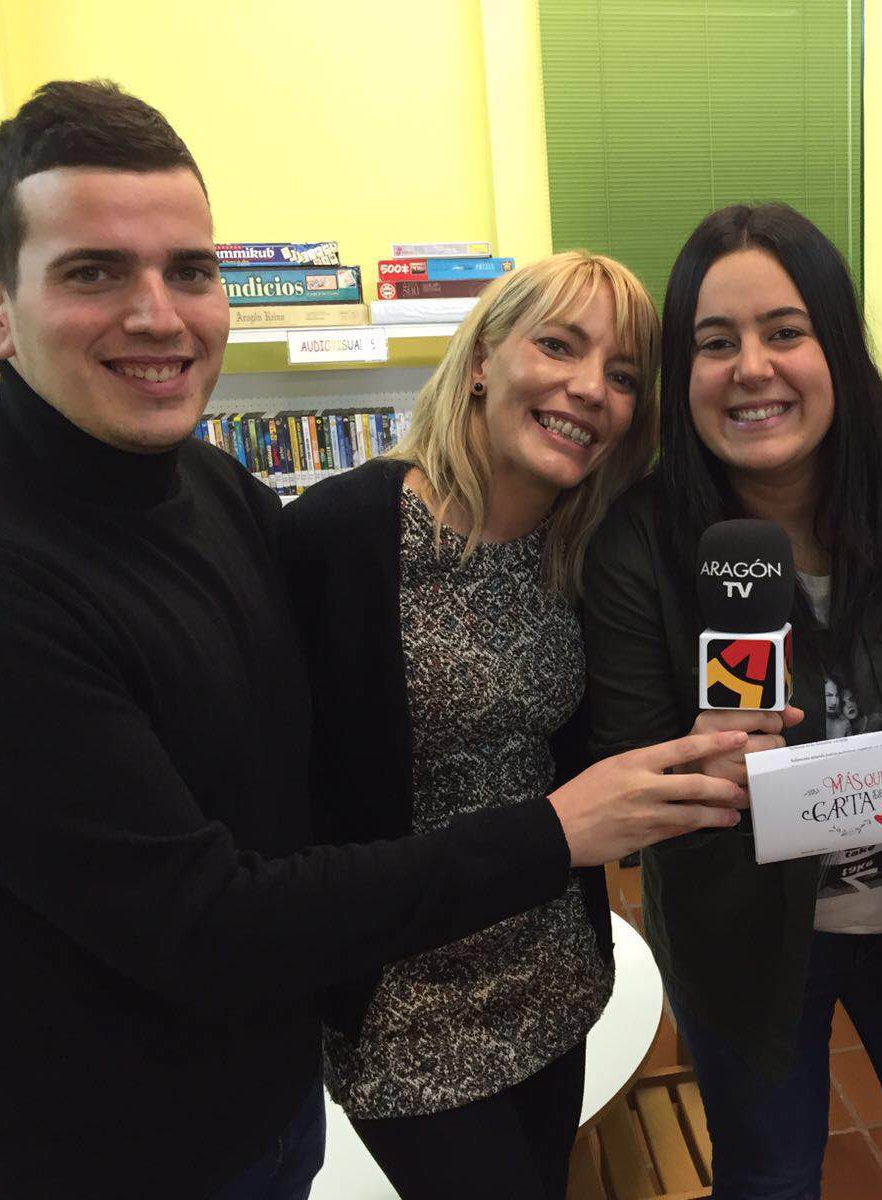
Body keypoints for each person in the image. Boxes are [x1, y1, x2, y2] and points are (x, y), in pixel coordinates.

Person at [0, 79, 748, 1199]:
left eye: (190, 270)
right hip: (127, 1134)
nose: (158, 316)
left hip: (330, 1070)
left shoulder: (215, 488)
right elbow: (210, 916)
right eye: (92, 272)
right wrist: (558, 832)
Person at [581, 202, 882, 1199]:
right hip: (742, 947)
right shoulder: (640, 539)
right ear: (683, 371)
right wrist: (693, 769)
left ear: (835, 340)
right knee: (767, 1182)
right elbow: (627, 761)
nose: (751, 369)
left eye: (784, 332)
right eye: (715, 343)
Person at [277, 250, 659, 1199]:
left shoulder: (582, 549)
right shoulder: (341, 536)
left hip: (552, 976)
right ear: (484, 356)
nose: (588, 390)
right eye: (560, 347)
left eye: (621, 375)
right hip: (401, 1006)